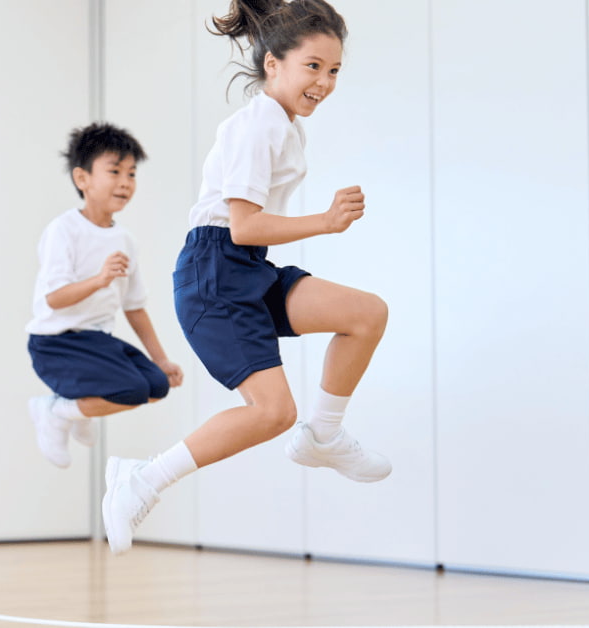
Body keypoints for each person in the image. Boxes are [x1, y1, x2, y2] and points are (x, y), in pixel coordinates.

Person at [102, 0, 391, 555]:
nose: (324, 82)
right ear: (273, 64)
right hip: (215, 272)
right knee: (272, 412)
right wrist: (326, 223)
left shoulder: (281, 125)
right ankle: (141, 479)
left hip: (245, 269)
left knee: (365, 314)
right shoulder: (258, 125)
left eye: (334, 71)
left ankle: (324, 435)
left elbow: (248, 237)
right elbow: (242, 225)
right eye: (313, 66)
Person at [25, 122, 183, 469]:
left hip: (98, 341)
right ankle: (56, 410)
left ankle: (76, 409)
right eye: (114, 171)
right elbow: (53, 299)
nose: (125, 182)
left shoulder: (125, 240)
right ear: (82, 179)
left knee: (156, 385)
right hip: (55, 343)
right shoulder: (63, 230)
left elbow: (135, 307)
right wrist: (99, 280)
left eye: (131, 173)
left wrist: (161, 358)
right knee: (132, 389)